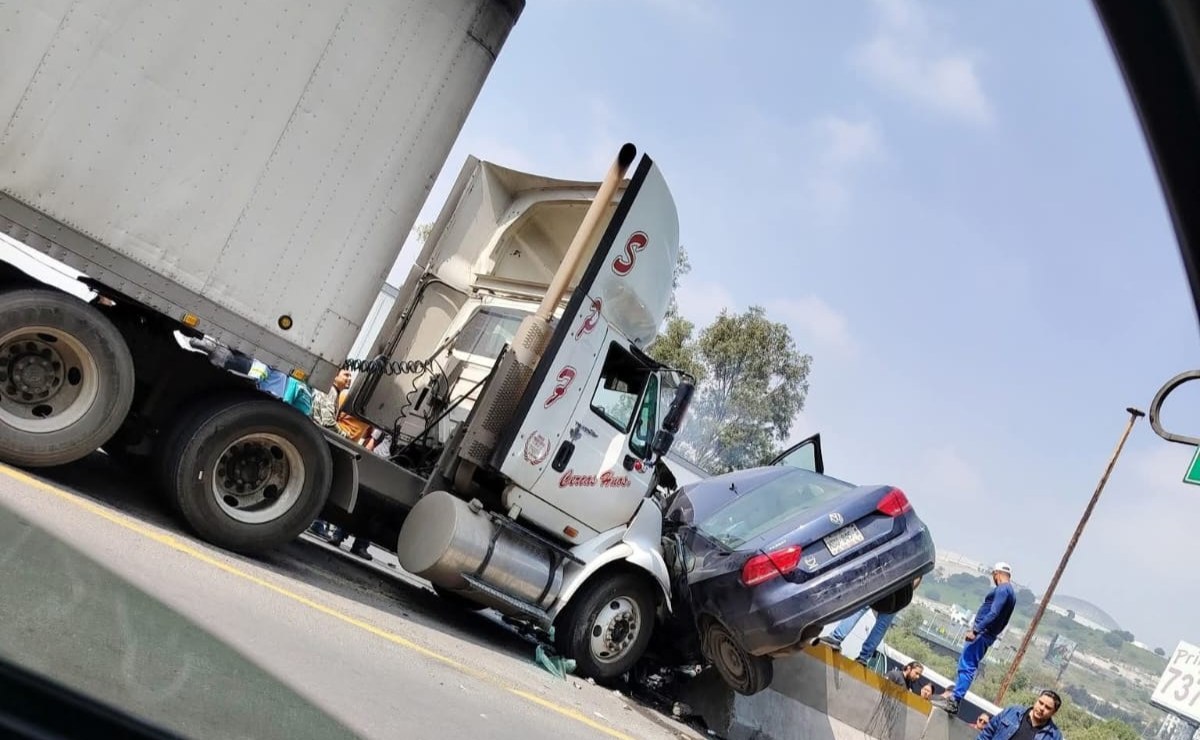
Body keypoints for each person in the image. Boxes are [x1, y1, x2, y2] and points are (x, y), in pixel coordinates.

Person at [934, 562, 1016, 715]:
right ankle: (953, 698)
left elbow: (994, 613)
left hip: (982, 633)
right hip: (988, 634)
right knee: (967, 666)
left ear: (996, 574)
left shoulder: (1003, 589)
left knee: (966, 666)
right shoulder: (1012, 593)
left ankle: (954, 701)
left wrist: (976, 630)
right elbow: (1004, 621)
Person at [822, 576, 921, 664]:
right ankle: (864, 657)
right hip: (901, 591)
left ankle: (836, 638)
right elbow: (917, 578)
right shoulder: (919, 557)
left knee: (860, 607)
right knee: (881, 625)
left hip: (884, 580)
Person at [976, 691, 1063, 740]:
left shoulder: (1054, 736)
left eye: (1047, 707)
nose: (1042, 708)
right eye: (1040, 703)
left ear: (1054, 713)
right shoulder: (1012, 712)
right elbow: (987, 732)